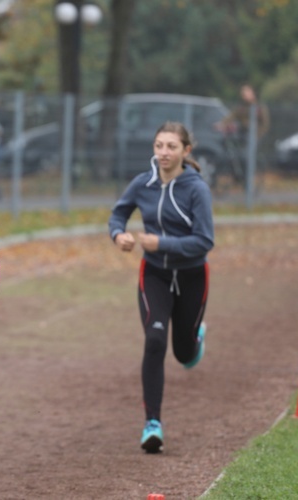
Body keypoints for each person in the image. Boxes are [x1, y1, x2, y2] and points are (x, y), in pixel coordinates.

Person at [108, 121, 215, 454]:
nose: (164, 153)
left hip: (192, 275)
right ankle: (152, 422)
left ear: (186, 151)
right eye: (159, 146)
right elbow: (118, 215)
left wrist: (161, 243)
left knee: (183, 353)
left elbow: (204, 240)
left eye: (171, 146)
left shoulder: (196, 189)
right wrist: (119, 235)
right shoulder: (143, 183)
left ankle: (195, 338)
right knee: (155, 341)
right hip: (153, 275)